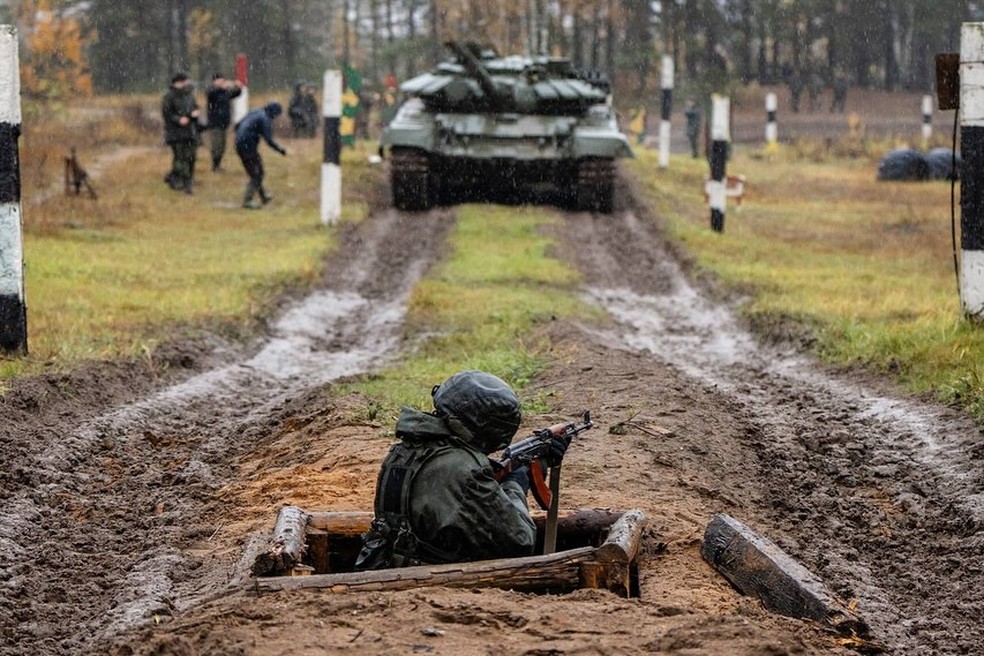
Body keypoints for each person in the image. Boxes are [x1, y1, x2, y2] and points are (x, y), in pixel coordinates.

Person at [356, 370, 567, 569]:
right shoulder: (465, 469)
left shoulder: (404, 452)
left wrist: (536, 465)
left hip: (386, 563)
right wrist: (516, 483)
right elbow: (520, 541)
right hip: (433, 580)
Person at [234, 102, 287, 209]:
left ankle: (263, 196)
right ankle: (247, 201)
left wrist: (242, 135)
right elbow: (269, 140)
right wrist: (280, 149)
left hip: (240, 144)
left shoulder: (255, 111)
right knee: (257, 174)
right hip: (248, 147)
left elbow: (237, 125)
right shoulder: (265, 119)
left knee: (256, 171)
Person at [161, 72, 201, 194]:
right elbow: (167, 113)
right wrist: (178, 119)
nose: (184, 84)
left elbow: (195, 107)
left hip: (190, 131)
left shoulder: (189, 95)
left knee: (190, 157)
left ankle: (180, 178)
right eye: (182, 82)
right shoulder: (169, 96)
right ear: (176, 83)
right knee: (180, 158)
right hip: (175, 132)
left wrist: (195, 113)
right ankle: (182, 181)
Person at [205, 73, 242, 172]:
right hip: (214, 123)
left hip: (224, 123)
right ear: (214, 82)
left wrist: (237, 86)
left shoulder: (225, 93)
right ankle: (215, 166)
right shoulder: (212, 91)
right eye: (219, 80)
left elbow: (236, 93)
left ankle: (217, 166)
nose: (222, 82)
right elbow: (210, 93)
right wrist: (222, 87)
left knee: (222, 146)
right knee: (216, 146)